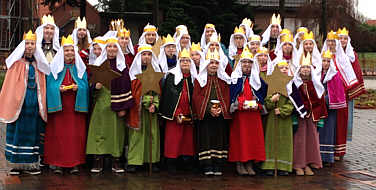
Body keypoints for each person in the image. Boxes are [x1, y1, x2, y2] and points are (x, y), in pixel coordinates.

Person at [0, 30, 49, 175]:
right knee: (17, 133)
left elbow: (43, 86)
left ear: (36, 47)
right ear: (23, 46)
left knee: (33, 133)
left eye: (32, 44)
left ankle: (32, 164)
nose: (29, 46)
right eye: (27, 43)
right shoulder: (16, 64)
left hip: (34, 106)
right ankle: (16, 164)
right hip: (19, 106)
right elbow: (10, 86)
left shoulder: (39, 65)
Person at [86, 37, 134, 173]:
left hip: (116, 104)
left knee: (116, 133)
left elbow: (126, 87)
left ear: (117, 49)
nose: (111, 49)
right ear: (105, 49)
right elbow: (90, 84)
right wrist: (95, 86)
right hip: (101, 103)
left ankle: (116, 161)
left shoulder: (122, 67)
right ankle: (98, 161)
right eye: (109, 47)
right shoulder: (98, 65)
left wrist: (124, 107)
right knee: (99, 132)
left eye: (114, 47)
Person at [45, 35, 89, 174]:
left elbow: (85, 86)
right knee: (58, 135)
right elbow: (49, 85)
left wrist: (79, 88)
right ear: (62, 53)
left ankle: (75, 163)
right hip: (60, 107)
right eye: (66, 50)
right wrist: (57, 89)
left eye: (71, 50)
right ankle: (58, 163)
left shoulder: (81, 69)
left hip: (75, 108)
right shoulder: (54, 68)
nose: (69, 53)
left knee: (75, 136)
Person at [192, 49, 232, 176]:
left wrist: (220, 109)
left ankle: (218, 164)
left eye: (216, 63)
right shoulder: (199, 79)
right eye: (211, 63)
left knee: (219, 139)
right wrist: (209, 108)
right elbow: (196, 97)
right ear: (206, 64)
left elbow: (226, 96)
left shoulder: (223, 80)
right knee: (206, 140)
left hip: (219, 116)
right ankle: (207, 165)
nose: (214, 65)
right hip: (205, 117)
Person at [229, 47, 266, 176]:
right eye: (244, 62)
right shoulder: (234, 79)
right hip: (240, 116)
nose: (247, 65)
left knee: (252, 140)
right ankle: (240, 162)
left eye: (249, 62)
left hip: (253, 116)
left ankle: (249, 163)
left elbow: (262, 96)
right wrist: (239, 104)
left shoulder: (258, 80)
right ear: (240, 64)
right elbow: (231, 96)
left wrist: (259, 105)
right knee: (241, 139)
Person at [159, 48, 197, 173]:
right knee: (173, 139)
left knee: (187, 141)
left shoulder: (193, 78)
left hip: (188, 115)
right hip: (175, 115)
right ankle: (171, 163)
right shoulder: (171, 76)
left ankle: (186, 162)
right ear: (179, 62)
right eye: (183, 61)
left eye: (187, 61)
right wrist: (176, 113)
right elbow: (169, 96)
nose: (185, 63)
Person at [322, 31, 358, 160]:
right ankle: (325, 151)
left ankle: (338, 151)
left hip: (339, 96)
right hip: (325, 97)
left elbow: (348, 76)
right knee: (326, 124)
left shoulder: (342, 58)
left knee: (339, 123)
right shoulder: (322, 57)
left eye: (333, 41)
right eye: (329, 41)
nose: (331, 44)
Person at [127, 44, 163, 173]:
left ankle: (151, 160)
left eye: (149, 55)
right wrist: (146, 101)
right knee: (137, 136)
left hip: (151, 111)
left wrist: (155, 104)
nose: (146, 57)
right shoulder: (134, 74)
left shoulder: (155, 74)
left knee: (152, 134)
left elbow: (158, 92)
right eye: (144, 54)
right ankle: (134, 161)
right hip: (138, 110)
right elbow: (133, 92)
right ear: (139, 57)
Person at [292, 53, 327, 176]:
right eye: (303, 67)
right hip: (300, 117)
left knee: (311, 140)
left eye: (307, 67)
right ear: (299, 70)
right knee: (299, 141)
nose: (305, 70)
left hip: (312, 117)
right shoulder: (295, 84)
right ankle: (298, 165)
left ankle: (308, 163)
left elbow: (320, 101)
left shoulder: (315, 85)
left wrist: (319, 116)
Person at [261, 60, 294, 176]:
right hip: (272, 118)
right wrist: (271, 100)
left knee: (284, 141)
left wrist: (283, 110)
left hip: (285, 118)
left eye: (286, 68)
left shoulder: (291, 84)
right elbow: (266, 102)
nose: (284, 70)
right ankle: (270, 165)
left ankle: (284, 166)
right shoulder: (272, 84)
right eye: (281, 68)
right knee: (271, 140)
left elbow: (294, 102)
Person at [337, 27, 366, 142]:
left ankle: (343, 141)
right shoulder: (333, 53)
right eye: (340, 38)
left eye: (345, 39)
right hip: (336, 90)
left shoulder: (352, 55)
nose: (342, 41)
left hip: (348, 91)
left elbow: (357, 72)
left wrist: (352, 88)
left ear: (348, 41)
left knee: (346, 117)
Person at [319, 50, 347, 166]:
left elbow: (337, 93)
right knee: (319, 132)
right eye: (324, 61)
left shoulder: (334, 75)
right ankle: (318, 156)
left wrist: (325, 100)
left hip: (329, 109)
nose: (325, 63)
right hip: (319, 109)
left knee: (328, 132)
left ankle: (327, 157)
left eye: (328, 61)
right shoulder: (317, 74)